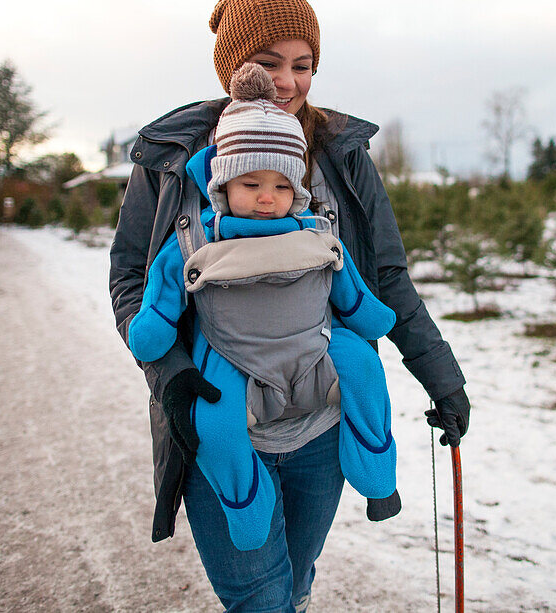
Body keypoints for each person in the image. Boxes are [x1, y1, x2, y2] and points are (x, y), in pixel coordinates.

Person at [110, 0, 471, 612]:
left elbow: (383, 277)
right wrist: (169, 372)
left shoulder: (341, 156)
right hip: (221, 415)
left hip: (321, 426)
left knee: (297, 580)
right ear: (234, 69)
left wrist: (441, 377)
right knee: (260, 597)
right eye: (268, 62)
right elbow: (133, 280)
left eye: (302, 65)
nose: (288, 81)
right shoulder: (172, 157)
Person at [126, 61, 402, 552]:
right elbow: (161, 284)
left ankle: (377, 472)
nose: (267, 199)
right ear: (223, 185)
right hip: (232, 355)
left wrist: (369, 316)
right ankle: (245, 504)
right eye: (251, 186)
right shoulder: (199, 236)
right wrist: (155, 334)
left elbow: (347, 282)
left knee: (363, 365)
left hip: (314, 342)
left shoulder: (314, 230)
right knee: (215, 420)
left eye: (281, 187)